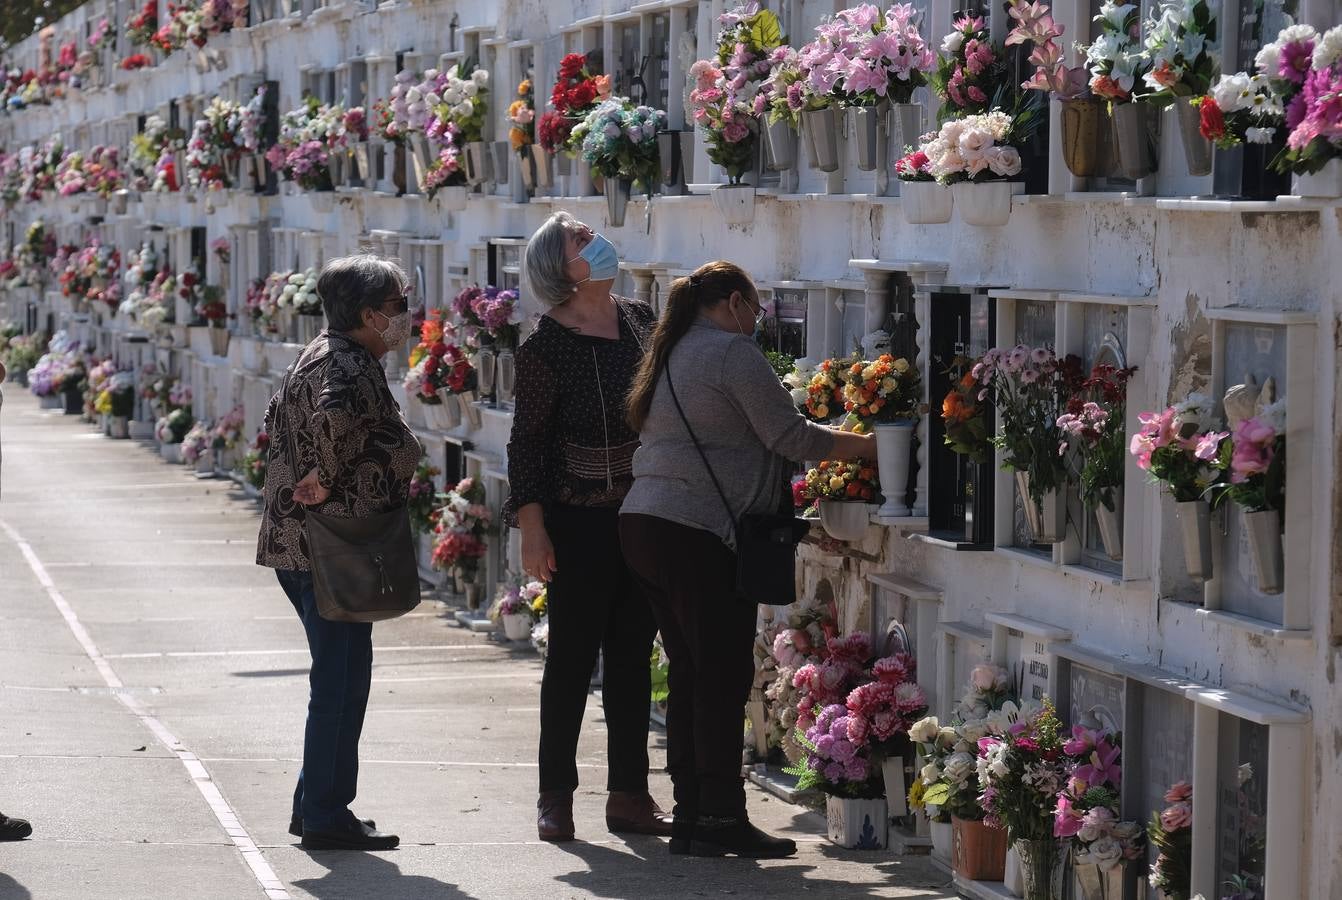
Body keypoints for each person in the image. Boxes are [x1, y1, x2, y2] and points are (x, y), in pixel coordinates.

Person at [619, 260, 876, 858]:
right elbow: (790, 438)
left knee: (690, 672)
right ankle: (718, 818)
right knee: (720, 675)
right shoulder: (731, 353)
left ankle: (692, 811)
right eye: (756, 310)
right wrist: (871, 447)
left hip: (645, 523)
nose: (756, 322)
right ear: (734, 302)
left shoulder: (672, 349)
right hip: (697, 530)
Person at [506, 211, 671, 843]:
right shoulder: (545, 344)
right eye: (580, 240)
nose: (595, 243)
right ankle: (556, 796)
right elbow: (528, 443)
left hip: (641, 513)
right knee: (571, 661)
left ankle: (629, 795)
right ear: (565, 267)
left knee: (632, 655)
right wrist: (532, 527)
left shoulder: (638, 321)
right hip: (576, 519)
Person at [256, 254, 422, 851]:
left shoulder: (321, 352)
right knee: (341, 681)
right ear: (371, 314)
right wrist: (326, 477)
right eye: (399, 307)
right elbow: (335, 418)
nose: (406, 318)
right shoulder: (347, 363)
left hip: (306, 543)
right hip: (330, 545)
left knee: (341, 676)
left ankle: (315, 803)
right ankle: (326, 812)